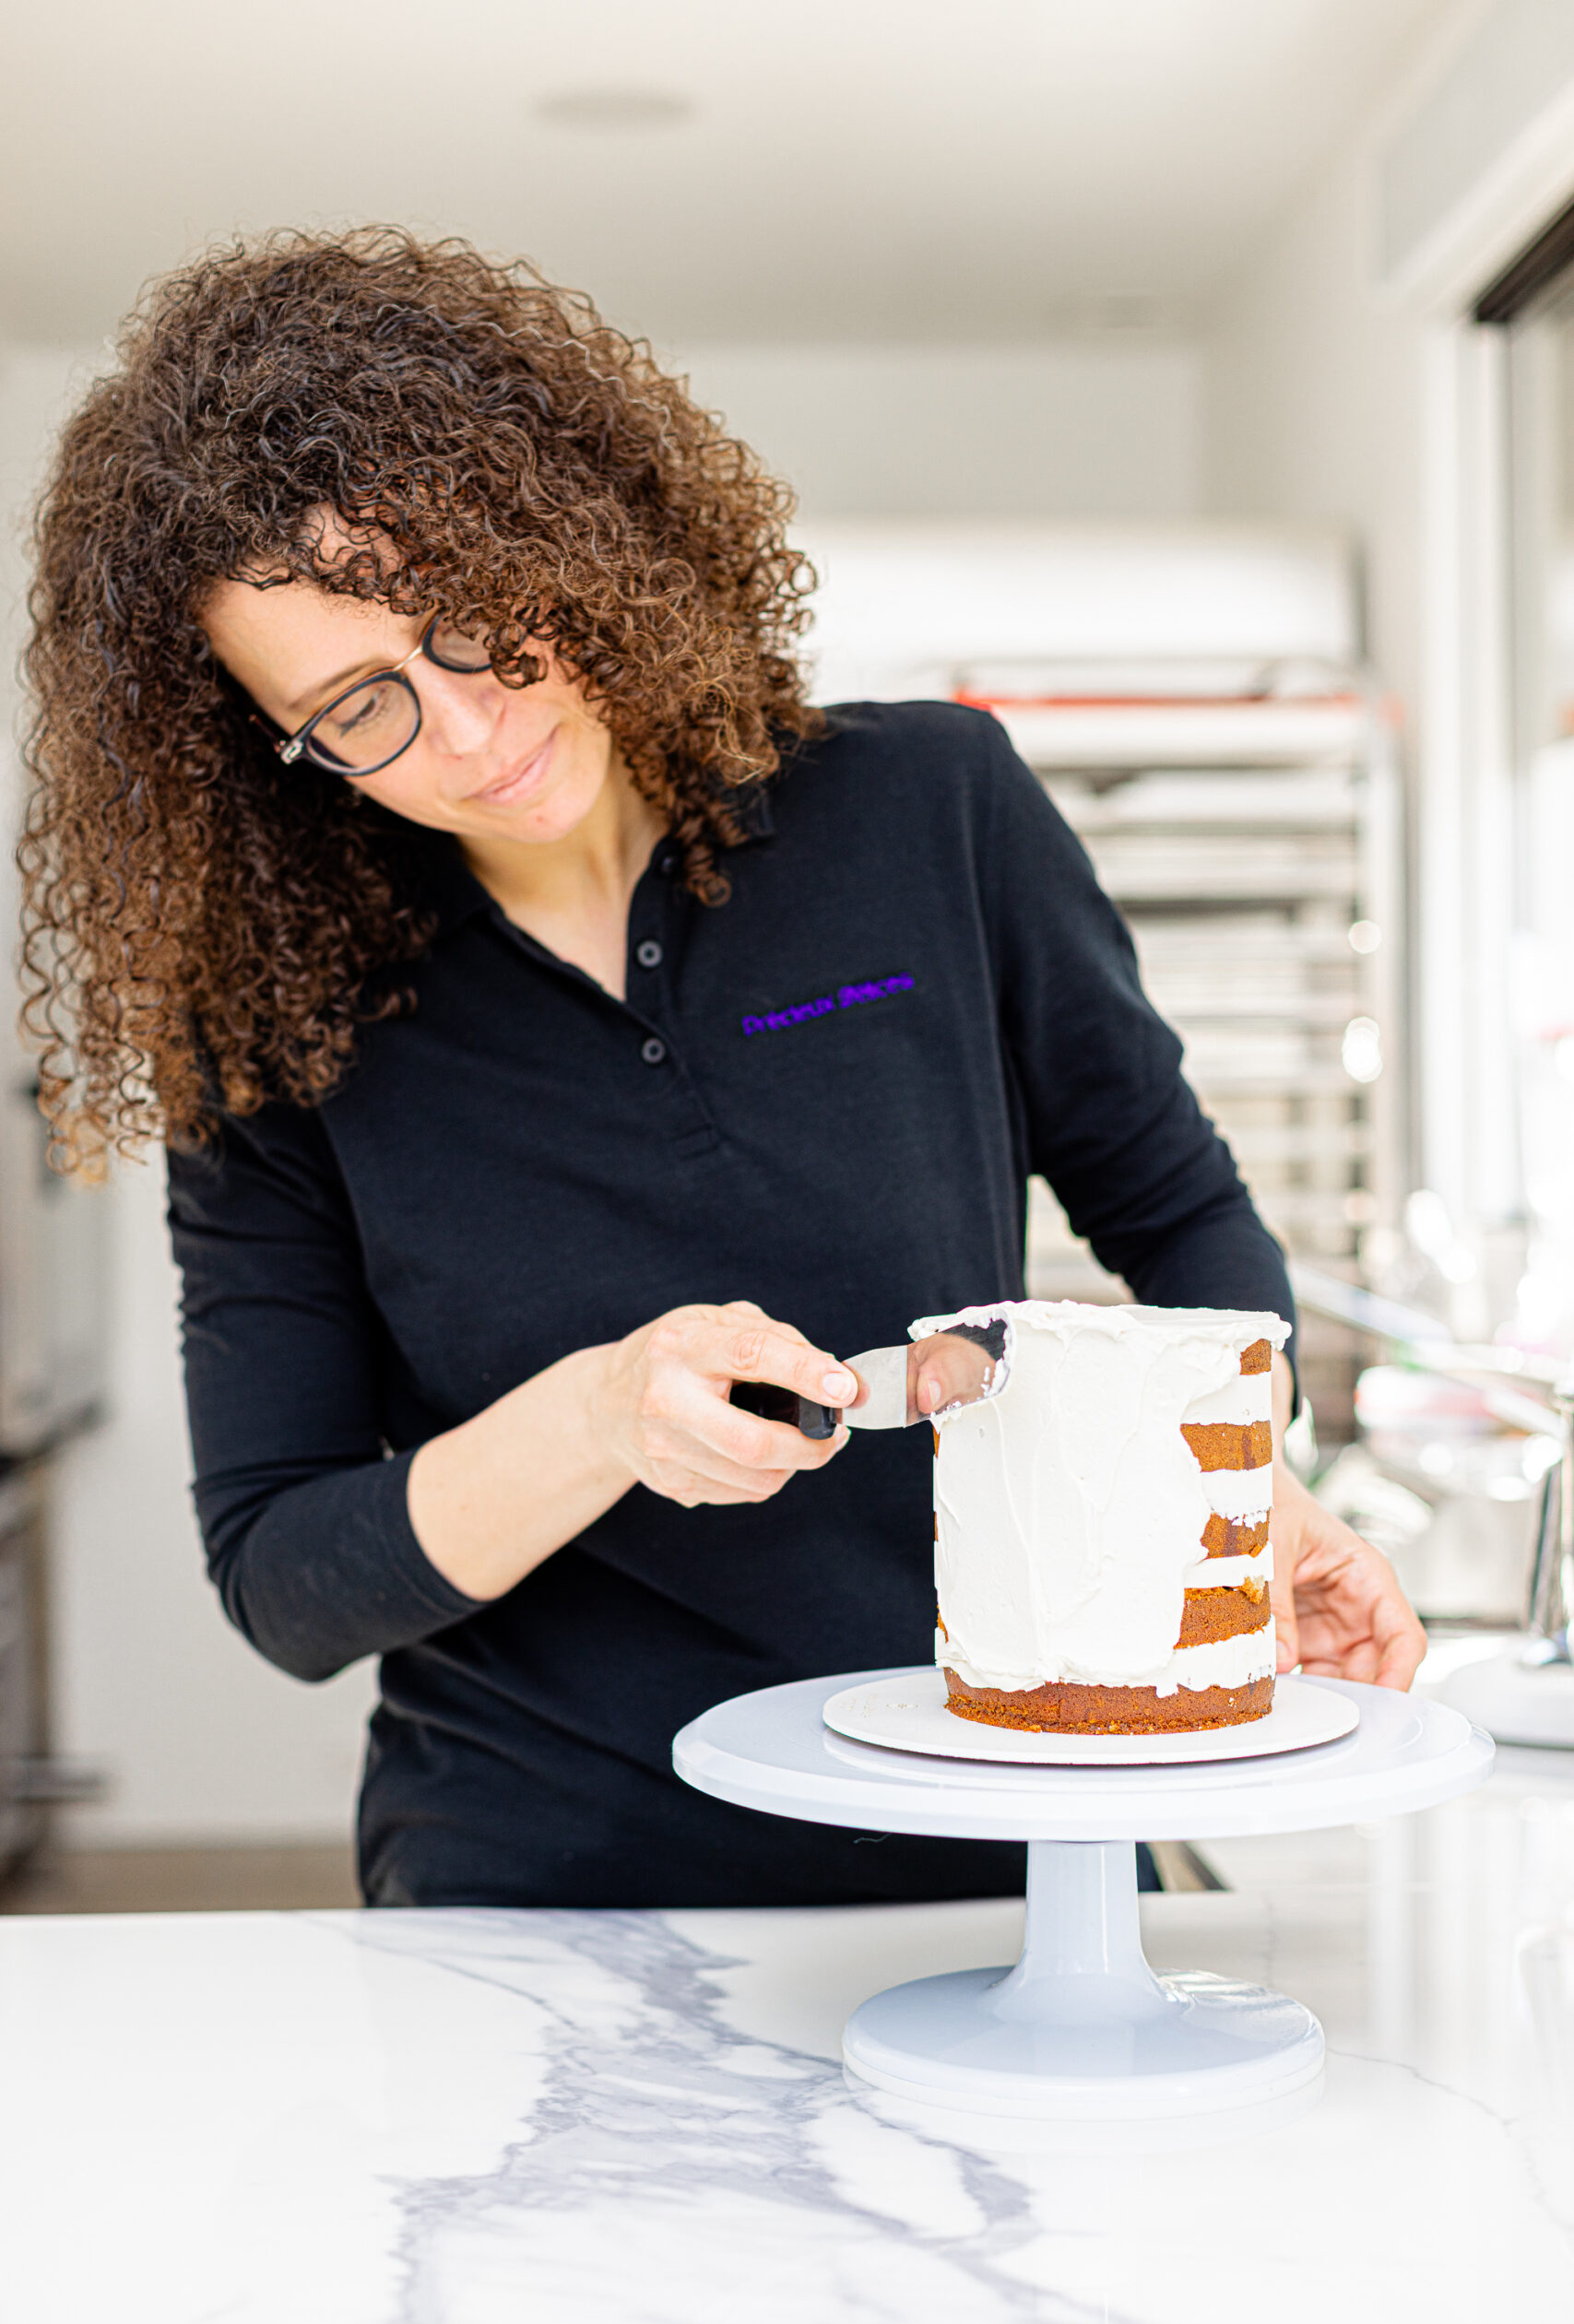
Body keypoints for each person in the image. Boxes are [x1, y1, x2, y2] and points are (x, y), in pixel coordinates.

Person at [19, 230, 1426, 1908]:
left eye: (468, 616)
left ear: (566, 523)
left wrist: (1248, 1488)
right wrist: (602, 1416)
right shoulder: (272, 1031)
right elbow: (287, 1584)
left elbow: (1180, 1214)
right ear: (273, 756)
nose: (467, 731)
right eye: (359, 707)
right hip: (540, 1889)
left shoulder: (932, 810)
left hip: (999, 1826)